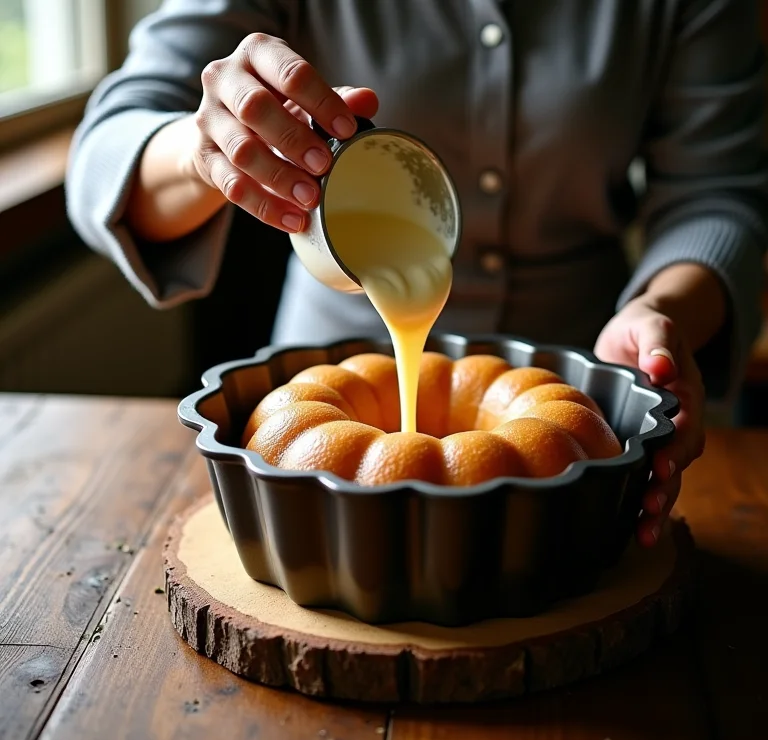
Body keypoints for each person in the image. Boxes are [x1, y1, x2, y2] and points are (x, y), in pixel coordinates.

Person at [66, 0, 768, 548]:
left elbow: (720, 189)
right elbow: (104, 151)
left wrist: (665, 310)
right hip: (325, 390)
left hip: (588, 384)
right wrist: (201, 147)